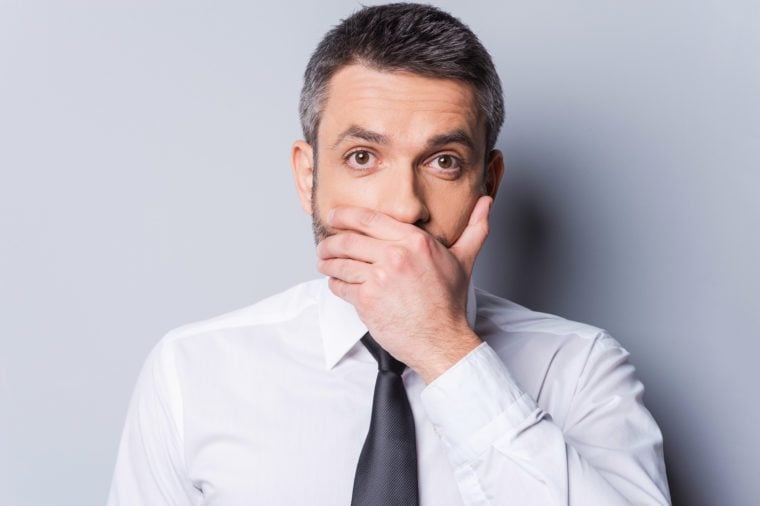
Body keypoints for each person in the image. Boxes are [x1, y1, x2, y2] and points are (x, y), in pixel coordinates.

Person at [107, 3, 671, 505]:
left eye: (443, 161)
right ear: (308, 176)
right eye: (361, 157)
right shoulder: (193, 371)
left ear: (488, 184)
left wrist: (444, 348)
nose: (404, 208)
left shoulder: (578, 369)